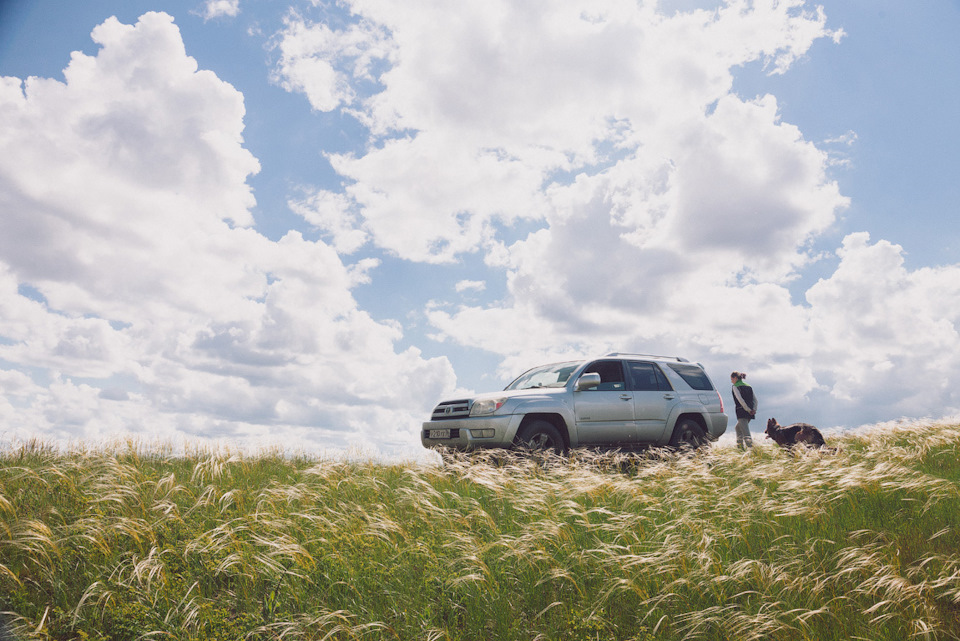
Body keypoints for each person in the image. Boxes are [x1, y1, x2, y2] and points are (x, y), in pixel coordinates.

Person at [730, 371, 757, 449]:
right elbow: (755, 400)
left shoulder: (735, 386)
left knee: (746, 433)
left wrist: (748, 409)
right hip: (750, 412)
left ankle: (752, 450)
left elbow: (740, 400)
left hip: (742, 411)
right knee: (738, 428)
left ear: (735, 378)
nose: (731, 381)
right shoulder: (749, 386)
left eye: (731, 379)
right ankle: (740, 448)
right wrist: (754, 409)